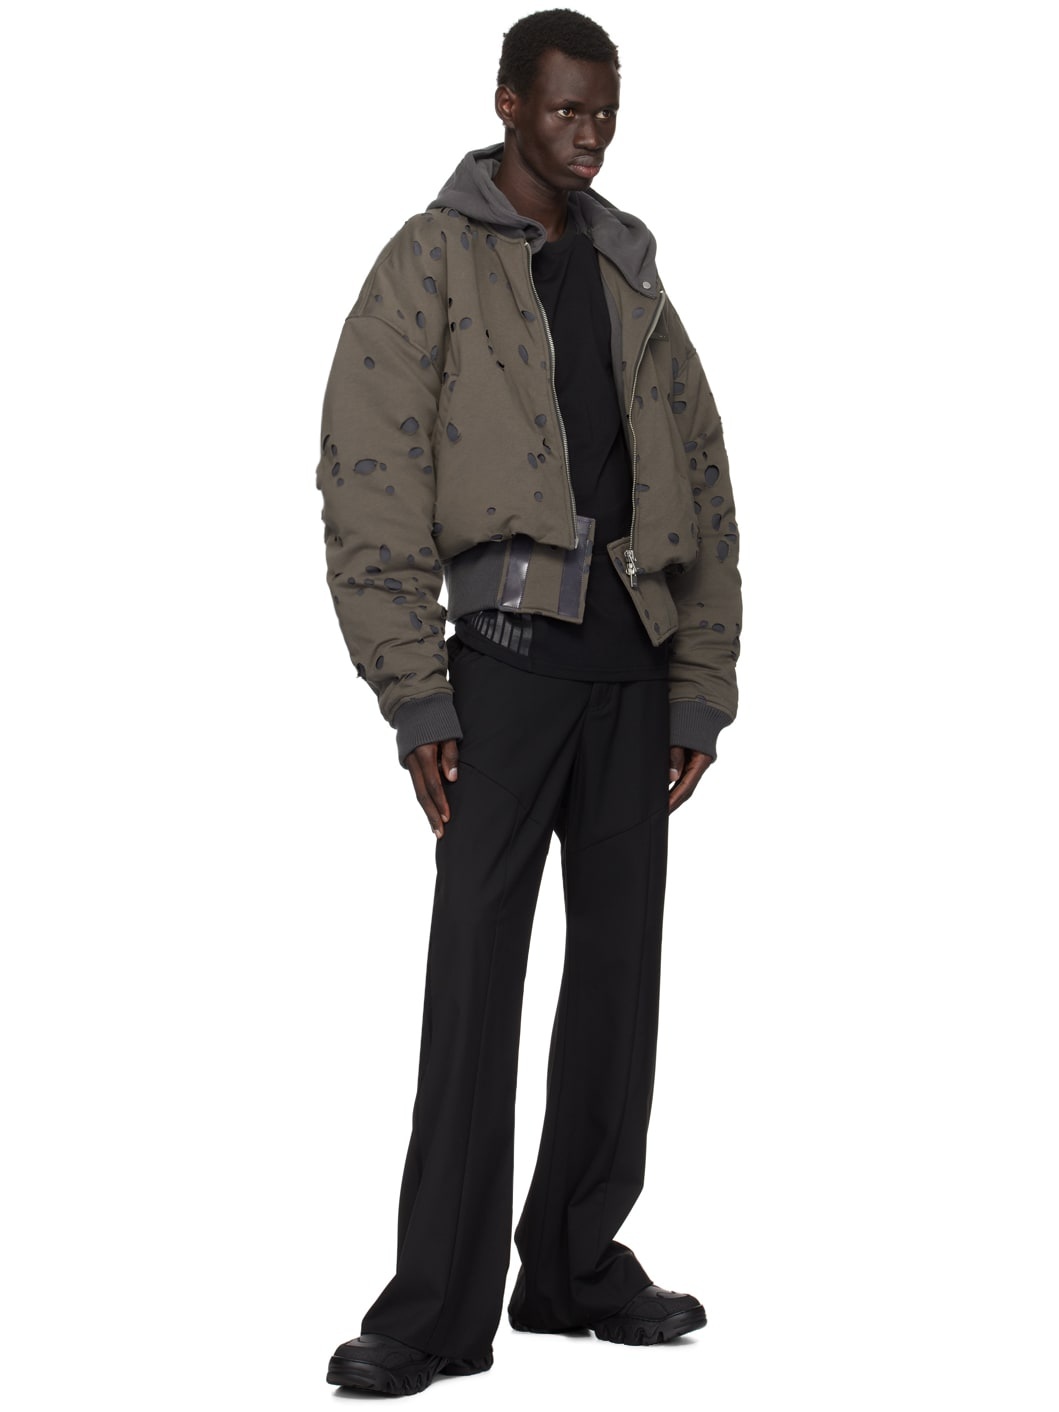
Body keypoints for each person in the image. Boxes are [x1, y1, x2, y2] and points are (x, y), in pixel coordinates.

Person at [314, 8, 741, 1396]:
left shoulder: (630, 270)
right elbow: (368, 476)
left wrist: (699, 690)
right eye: (567, 109)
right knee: (473, 989)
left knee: (618, 987)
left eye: (606, 111)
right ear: (507, 103)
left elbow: (705, 482)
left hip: (631, 675)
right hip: (498, 669)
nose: (591, 133)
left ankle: (574, 1264)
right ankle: (435, 1309)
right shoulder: (430, 260)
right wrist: (416, 697)